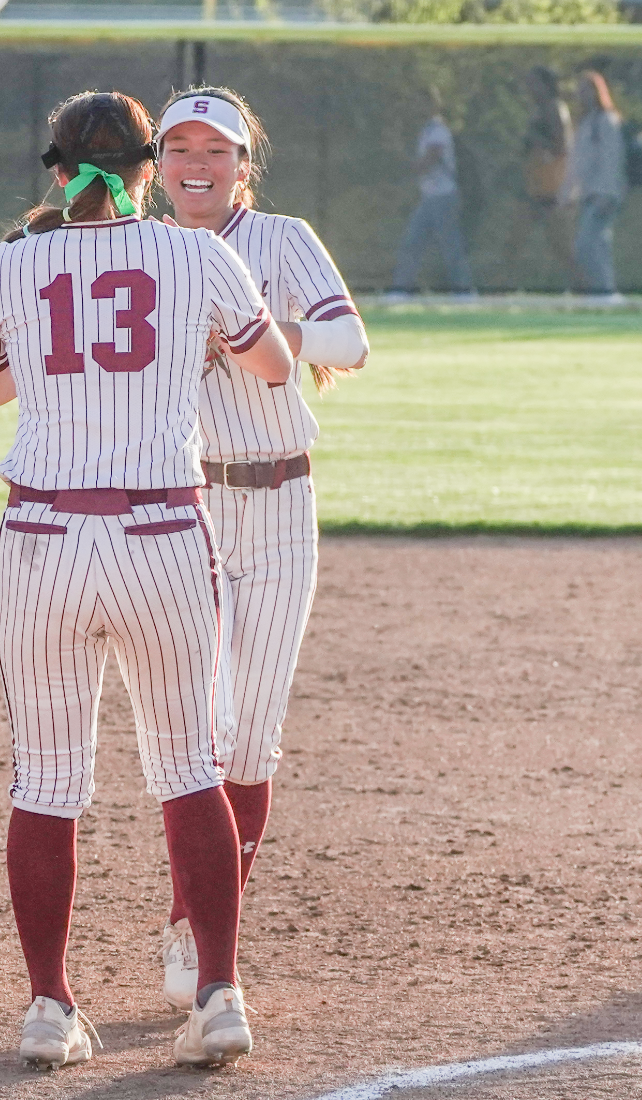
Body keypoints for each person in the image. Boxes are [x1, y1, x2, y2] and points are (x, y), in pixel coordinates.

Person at [0, 89, 294, 1070]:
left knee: (46, 780)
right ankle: (217, 992)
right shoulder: (194, 250)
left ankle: (47, 1007)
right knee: (188, 769)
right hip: (162, 530)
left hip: (43, 535)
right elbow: (267, 365)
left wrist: (37, 296)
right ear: (145, 169)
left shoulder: (15, 260)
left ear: (55, 169)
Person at [152, 86, 369, 1012]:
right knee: (197, 731)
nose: (198, 161)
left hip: (280, 503)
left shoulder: (281, 239)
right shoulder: (141, 250)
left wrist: (247, 333)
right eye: (179, 147)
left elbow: (350, 341)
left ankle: (192, 924)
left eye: (218, 148)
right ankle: (198, 933)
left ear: (245, 163)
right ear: (156, 166)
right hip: (184, 509)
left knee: (250, 735)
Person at [388, 86, 476, 299]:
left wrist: (400, 157)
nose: (418, 108)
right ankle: (401, 290)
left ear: (434, 105)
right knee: (412, 242)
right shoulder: (426, 130)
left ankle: (464, 292)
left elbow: (428, 162)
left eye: (423, 102)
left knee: (450, 246)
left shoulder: (438, 130)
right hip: (430, 197)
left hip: (444, 196)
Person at [499, 66, 574, 290]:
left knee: (562, 249)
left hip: (551, 189)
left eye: (534, 84)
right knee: (513, 244)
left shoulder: (555, 109)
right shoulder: (538, 111)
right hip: (533, 187)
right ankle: (500, 290)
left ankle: (589, 291)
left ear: (546, 85)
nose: (529, 89)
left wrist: (540, 144)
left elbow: (562, 147)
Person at [562, 69, 627, 300]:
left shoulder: (606, 121)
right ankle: (600, 292)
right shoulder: (587, 123)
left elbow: (612, 160)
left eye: (588, 90)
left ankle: (606, 292)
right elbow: (578, 164)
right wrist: (567, 194)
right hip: (589, 194)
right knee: (594, 245)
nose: (583, 96)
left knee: (588, 244)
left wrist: (608, 193)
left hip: (603, 195)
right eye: (580, 91)